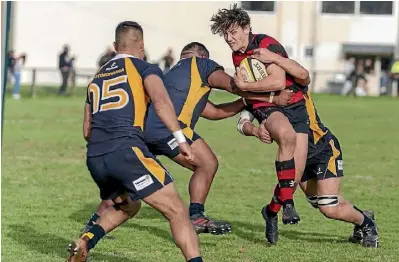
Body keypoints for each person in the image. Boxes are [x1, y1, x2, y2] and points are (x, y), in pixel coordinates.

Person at [81, 42, 294, 237]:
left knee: (124, 185)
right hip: (168, 128)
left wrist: (243, 103)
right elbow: (233, 84)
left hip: (143, 132)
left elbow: (213, 111)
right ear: (203, 56)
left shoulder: (173, 75)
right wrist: (270, 96)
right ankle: (196, 215)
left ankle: (93, 225)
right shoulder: (201, 64)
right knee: (208, 163)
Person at [66, 21, 203, 262]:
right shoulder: (143, 68)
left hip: (96, 157)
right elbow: (161, 102)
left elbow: (87, 130)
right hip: (126, 151)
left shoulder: (96, 78)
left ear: (115, 46)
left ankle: (86, 241)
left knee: (128, 205)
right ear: (141, 45)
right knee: (178, 211)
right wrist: (180, 139)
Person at [237, 47, 379, 248]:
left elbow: (303, 74)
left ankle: (368, 225)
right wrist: (254, 130)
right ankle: (361, 215)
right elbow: (241, 123)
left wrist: (274, 58)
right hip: (296, 158)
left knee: (328, 207)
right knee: (319, 201)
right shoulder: (258, 100)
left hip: (322, 148)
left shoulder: (292, 86)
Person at [210, 3, 311, 225]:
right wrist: (251, 92)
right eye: (225, 34)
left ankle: (271, 211)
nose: (229, 38)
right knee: (286, 136)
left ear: (246, 28)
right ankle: (288, 205)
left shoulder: (265, 45)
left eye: (233, 32)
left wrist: (243, 87)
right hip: (267, 105)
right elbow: (262, 88)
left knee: (293, 178)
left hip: (294, 105)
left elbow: (276, 81)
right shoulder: (237, 53)